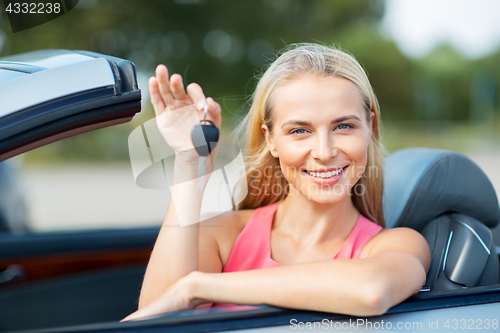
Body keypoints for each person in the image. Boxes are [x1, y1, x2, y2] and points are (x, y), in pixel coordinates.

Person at [123, 43, 431, 321]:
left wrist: (197, 287)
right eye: (299, 131)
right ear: (270, 140)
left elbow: (371, 290)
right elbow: (154, 322)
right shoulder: (223, 235)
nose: (324, 152)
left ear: (369, 128)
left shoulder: (394, 245)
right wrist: (189, 162)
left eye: (344, 126)